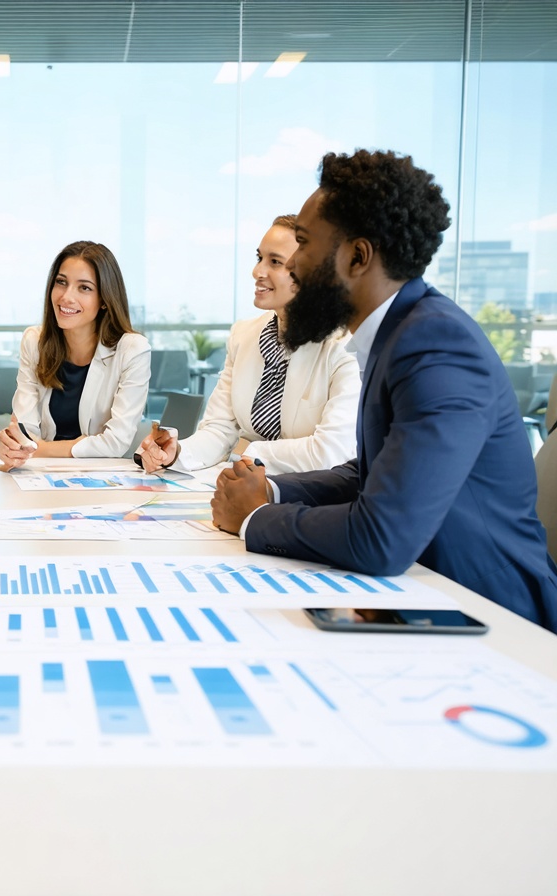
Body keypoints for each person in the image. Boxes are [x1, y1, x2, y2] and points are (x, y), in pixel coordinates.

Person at [212, 149, 557, 633]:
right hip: (422, 592)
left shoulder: (437, 345)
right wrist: (270, 487)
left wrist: (259, 516)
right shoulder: (395, 333)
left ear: (357, 256)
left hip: (494, 615)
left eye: (305, 245)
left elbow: (382, 537)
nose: (294, 266)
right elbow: (371, 473)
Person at [136, 215, 359, 475]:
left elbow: (331, 452)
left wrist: (249, 453)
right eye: (259, 258)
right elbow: (219, 430)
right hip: (251, 486)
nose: (257, 272)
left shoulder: (345, 345)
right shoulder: (245, 336)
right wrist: (176, 452)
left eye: (275, 261)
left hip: (316, 498)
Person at [0, 240, 150, 468]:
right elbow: (23, 432)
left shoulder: (133, 350)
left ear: (105, 301)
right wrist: (14, 448)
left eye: (84, 288)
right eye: (61, 282)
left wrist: (40, 448)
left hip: (100, 479)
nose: (66, 297)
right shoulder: (34, 342)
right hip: (41, 474)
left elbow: (116, 442)